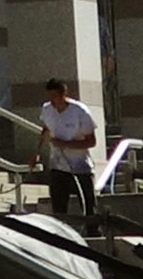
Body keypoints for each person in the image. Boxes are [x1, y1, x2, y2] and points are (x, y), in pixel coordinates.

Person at [36, 75, 103, 218]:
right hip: (57, 166)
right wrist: (37, 153)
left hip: (80, 167)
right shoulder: (47, 109)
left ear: (64, 94)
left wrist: (66, 144)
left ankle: (93, 232)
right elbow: (46, 129)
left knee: (88, 207)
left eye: (54, 96)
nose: (52, 101)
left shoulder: (80, 112)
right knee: (59, 209)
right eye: (49, 97)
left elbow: (91, 141)